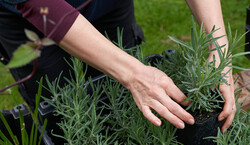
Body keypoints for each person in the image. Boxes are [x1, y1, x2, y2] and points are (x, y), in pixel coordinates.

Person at [0, 0, 236, 132]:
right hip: (33, 16)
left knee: (122, 103)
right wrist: (134, 73)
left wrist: (219, 49)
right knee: (62, 113)